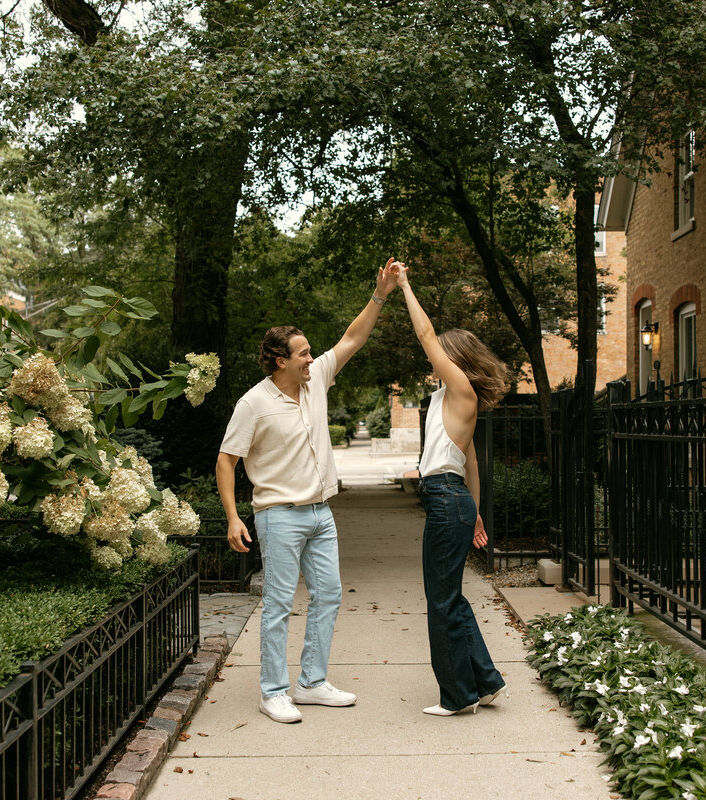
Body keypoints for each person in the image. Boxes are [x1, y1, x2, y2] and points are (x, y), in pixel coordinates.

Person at [216, 260, 400, 724]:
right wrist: (234, 517)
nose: (310, 358)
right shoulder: (254, 403)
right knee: (279, 603)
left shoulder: (315, 381)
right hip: (278, 515)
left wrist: (380, 294)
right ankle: (273, 691)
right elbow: (226, 459)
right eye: (302, 353)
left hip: (321, 514)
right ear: (281, 360)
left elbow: (352, 338)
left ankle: (312, 682)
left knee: (329, 595)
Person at [390, 259, 509, 716]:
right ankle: (486, 681)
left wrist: (404, 284)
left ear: (454, 358)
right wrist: (475, 511)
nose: (432, 355)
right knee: (450, 596)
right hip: (453, 498)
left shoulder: (460, 388)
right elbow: (471, 463)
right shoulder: (449, 398)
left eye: (441, 352)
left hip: (444, 499)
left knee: (441, 601)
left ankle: (459, 696)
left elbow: (424, 335)